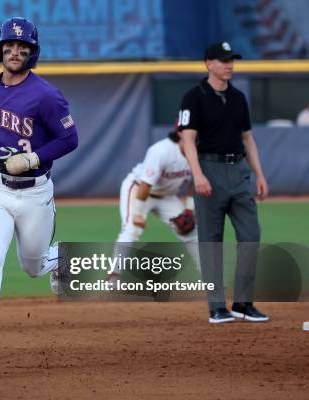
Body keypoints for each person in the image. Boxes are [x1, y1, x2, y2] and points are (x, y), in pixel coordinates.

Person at [0, 17, 78, 374]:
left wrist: (34, 159)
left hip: (34, 194)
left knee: (34, 266)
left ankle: (67, 259)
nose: (15, 51)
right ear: (0, 50)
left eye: (22, 48)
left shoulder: (46, 95)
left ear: (32, 54)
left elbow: (69, 139)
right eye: (9, 46)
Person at [179, 41, 269, 324]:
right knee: (211, 241)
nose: (229, 64)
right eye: (222, 60)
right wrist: (198, 174)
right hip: (209, 169)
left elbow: (248, 139)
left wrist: (260, 174)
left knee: (251, 235)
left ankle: (243, 303)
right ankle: (216, 306)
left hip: (239, 171)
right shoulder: (194, 96)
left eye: (231, 60)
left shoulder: (239, 97)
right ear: (208, 63)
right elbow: (187, 139)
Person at [109, 124, 199, 283]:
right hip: (139, 189)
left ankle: (209, 279)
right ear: (179, 133)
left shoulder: (198, 150)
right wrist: (137, 213)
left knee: (192, 232)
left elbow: (195, 182)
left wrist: (189, 210)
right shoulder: (161, 151)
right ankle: (114, 277)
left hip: (167, 196)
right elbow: (145, 185)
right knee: (131, 229)